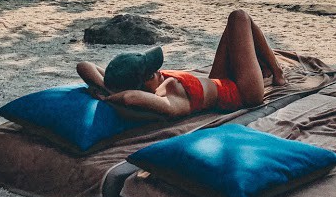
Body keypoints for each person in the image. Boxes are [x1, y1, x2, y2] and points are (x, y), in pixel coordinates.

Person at [76, 9, 287, 117]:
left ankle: (269, 69)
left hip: (218, 80)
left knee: (236, 24)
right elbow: (131, 98)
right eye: (151, 73)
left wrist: (106, 87)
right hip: (243, 93)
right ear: (141, 86)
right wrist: (113, 98)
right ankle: (276, 71)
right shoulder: (171, 101)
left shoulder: (124, 83)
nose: (157, 71)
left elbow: (83, 65)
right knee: (239, 17)